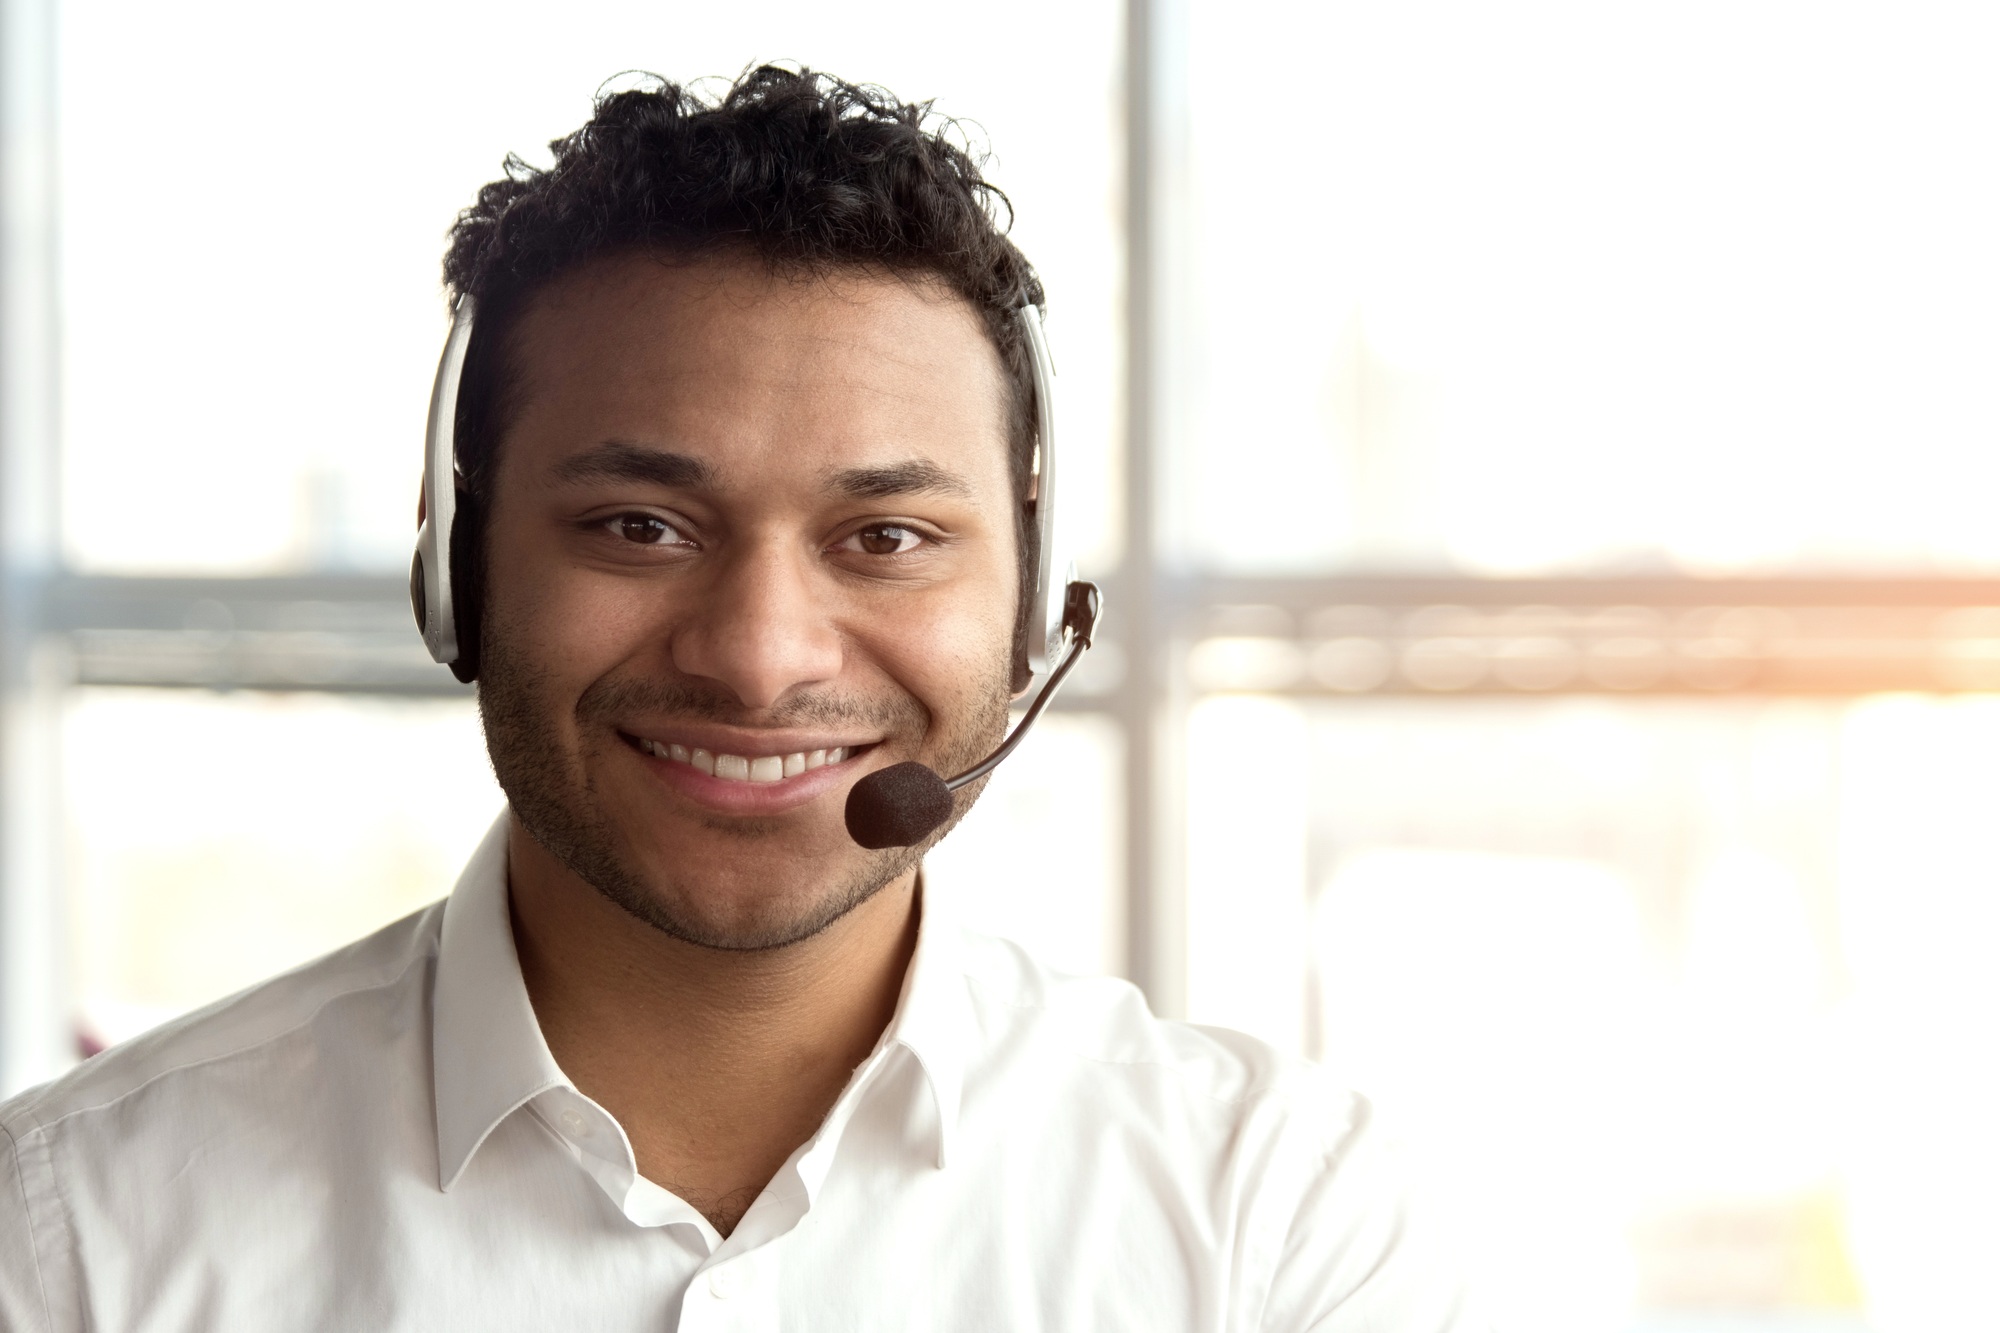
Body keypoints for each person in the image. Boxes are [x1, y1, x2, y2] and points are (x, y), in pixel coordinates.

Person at [0, 67, 1481, 1330]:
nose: (762, 656)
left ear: (1032, 603)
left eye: (885, 538)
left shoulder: (1268, 1223)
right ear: (459, 570)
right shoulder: (78, 1234)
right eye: (640, 525)